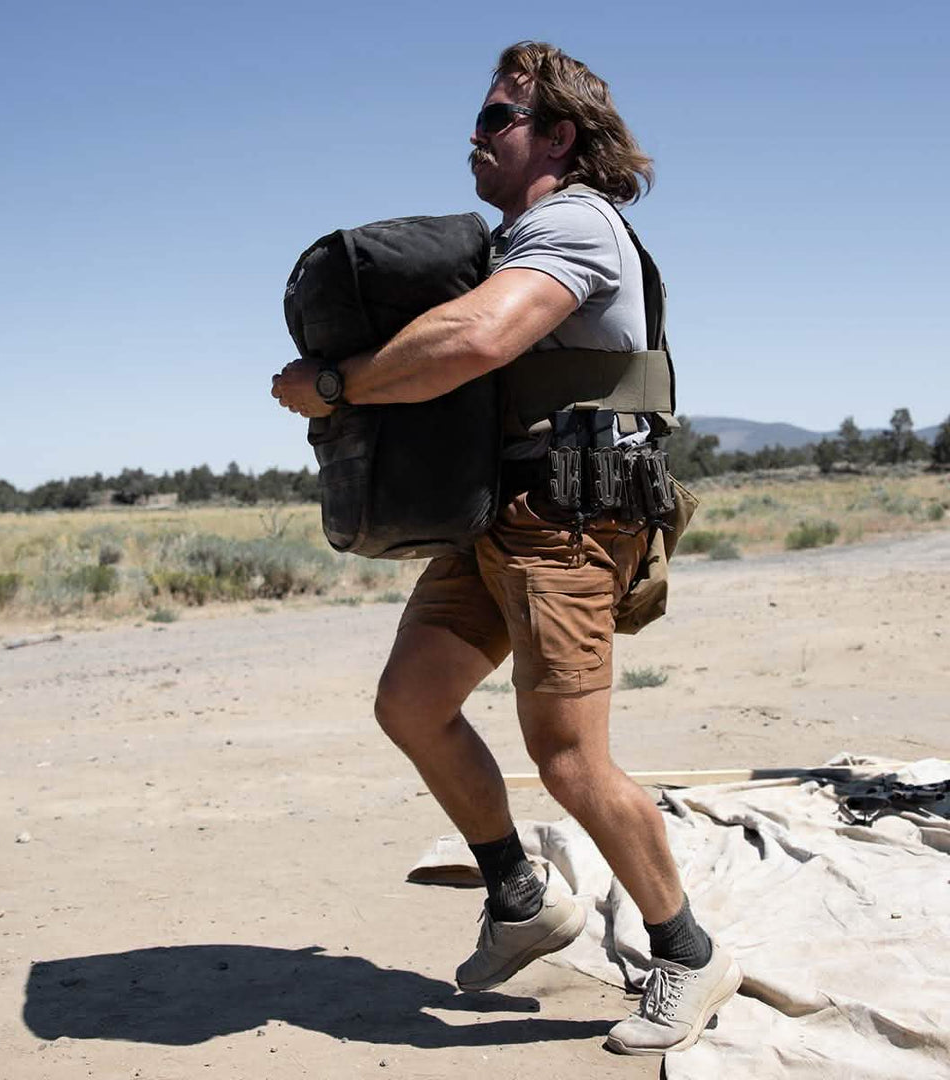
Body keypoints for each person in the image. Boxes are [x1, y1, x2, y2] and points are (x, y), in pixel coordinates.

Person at [271, 40, 741, 1056]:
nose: (474, 138)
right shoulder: (521, 234)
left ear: (557, 137)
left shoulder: (572, 225)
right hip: (501, 512)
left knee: (570, 762)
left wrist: (339, 384)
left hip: (569, 522)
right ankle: (521, 895)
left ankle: (691, 954)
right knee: (412, 703)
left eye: (497, 120)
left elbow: (475, 341)